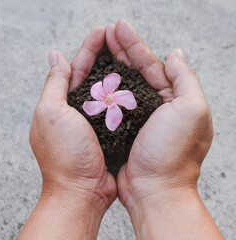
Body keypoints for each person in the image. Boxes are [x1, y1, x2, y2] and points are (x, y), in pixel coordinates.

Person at [18, 19, 224, 240]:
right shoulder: (99, 100)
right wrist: (165, 187)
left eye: (110, 95)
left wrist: (70, 188)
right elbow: (98, 98)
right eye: (106, 96)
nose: (108, 97)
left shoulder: (120, 97)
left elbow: (123, 100)